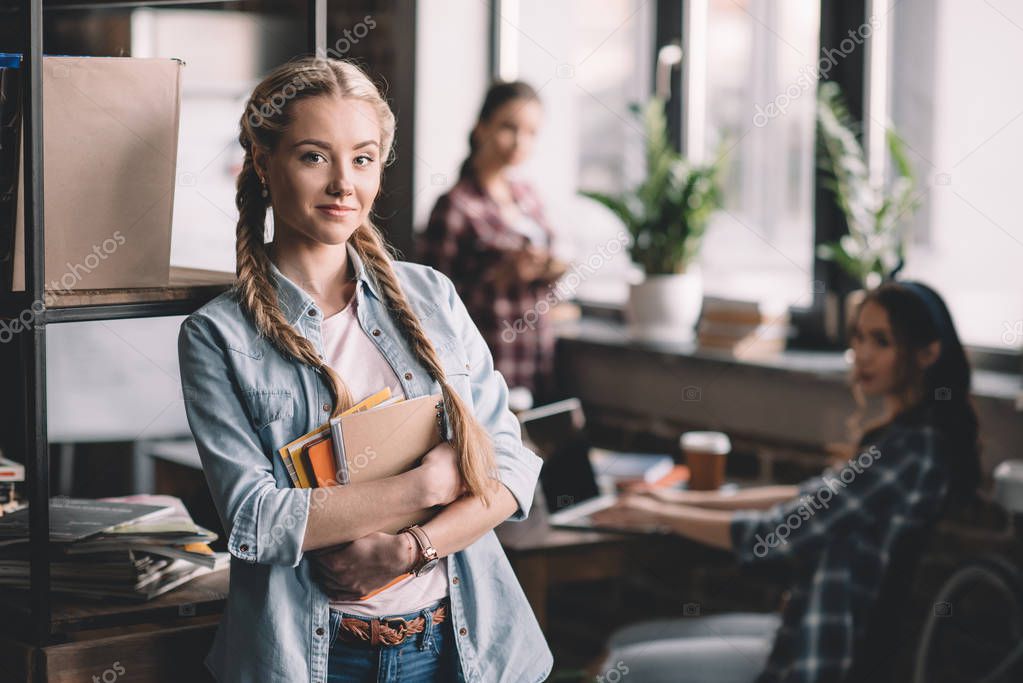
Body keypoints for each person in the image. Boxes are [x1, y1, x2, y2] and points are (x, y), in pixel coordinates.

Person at [177, 57, 552, 683]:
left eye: (363, 158)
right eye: (314, 157)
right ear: (264, 165)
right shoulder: (218, 335)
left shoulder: (432, 296)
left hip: (457, 647)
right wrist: (424, 488)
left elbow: (511, 466)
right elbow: (254, 521)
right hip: (313, 658)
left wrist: (410, 548)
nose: (343, 185)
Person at [591, 281, 981, 683]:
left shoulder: (911, 451)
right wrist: (666, 503)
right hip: (801, 624)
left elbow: (777, 533)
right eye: (859, 337)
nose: (861, 355)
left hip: (824, 649)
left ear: (927, 354)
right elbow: (803, 497)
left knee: (619, 669)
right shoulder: (901, 438)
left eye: (881, 342)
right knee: (624, 641)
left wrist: (661, 515)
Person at [418, 81, 567, 404]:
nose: (520, 142)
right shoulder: (455, 205)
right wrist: (496, 278)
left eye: (531, 132)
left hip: (536, 358)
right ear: (481, 128)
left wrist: (551, 269)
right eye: (509, 127)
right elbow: (428, 305)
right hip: (486, 361)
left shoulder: (529, 196)